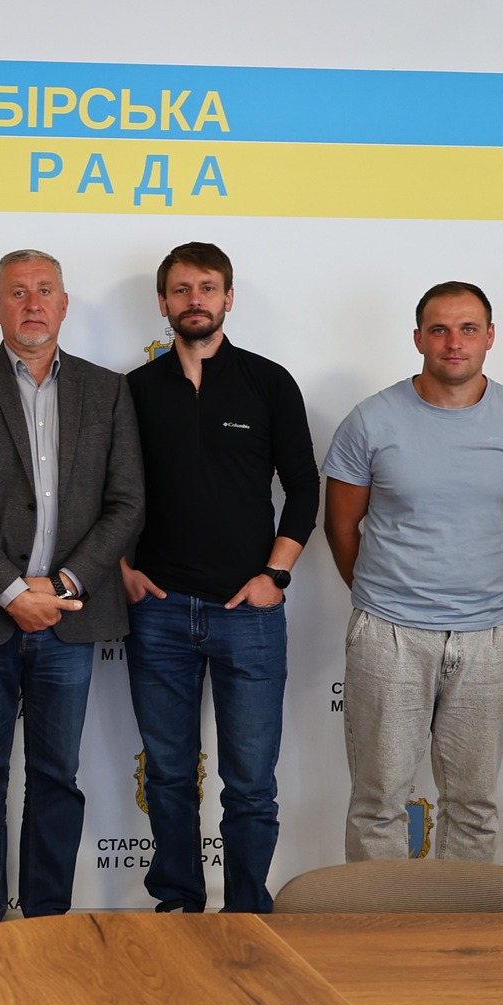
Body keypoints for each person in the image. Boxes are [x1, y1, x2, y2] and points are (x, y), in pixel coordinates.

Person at [0, 250, 143, 928]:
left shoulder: (108, 391)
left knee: (56, 776)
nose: (32, 303)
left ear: (64, 304)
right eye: (17, 292)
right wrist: (12, 591)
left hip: (69, 619)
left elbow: (128, 503)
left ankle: (48, 922)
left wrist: (63, 583)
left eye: (45, 290)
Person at [323, 282, 503, 862]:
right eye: (440, 330)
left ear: (490, 337)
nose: (455, 342)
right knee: (379, 801)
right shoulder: (371, 420)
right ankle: (382, 920)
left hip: (488, 636)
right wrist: (390, 592)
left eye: (468, 329)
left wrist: (472, 582)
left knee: (473, 804)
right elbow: (341, 527)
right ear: (419, 338)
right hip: (388, 634)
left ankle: (459, 918)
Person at [124, 241, 317, 914]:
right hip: (159, 610)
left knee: (251, 783)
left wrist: (275, 575)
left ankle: (246, 915)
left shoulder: (268, 382)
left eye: (207, 288)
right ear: (163, 302)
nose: (195, 300)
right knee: (169, 774)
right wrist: (121, 568)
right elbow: (106, 490)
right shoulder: (135, 390)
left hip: (249, 614)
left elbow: (304, 488)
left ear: (228, 298)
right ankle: (180, 905)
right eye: (181, 290)